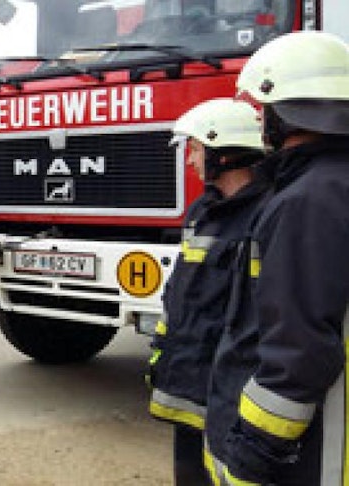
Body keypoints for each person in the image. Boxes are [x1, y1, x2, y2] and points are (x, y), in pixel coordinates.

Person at [203, 31, 349, 485]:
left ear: (282, 112)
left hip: (322, 449)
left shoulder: (306, 200)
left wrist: (254, 453)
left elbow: (297, 349)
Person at [146, 98, 268, 485]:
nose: (190, 161)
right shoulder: (203, 210)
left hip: (230, 392)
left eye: (195, 149)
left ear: (225, 152)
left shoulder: (266, 215)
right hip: (189, 383)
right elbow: (179, 295)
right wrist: (161, 355)